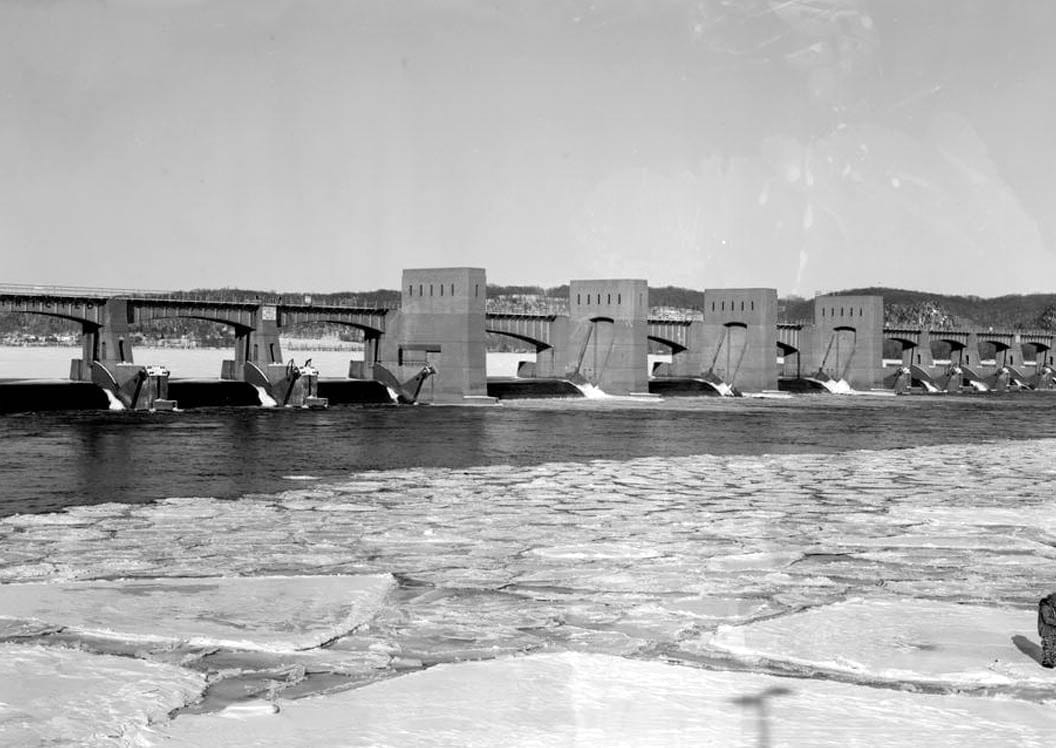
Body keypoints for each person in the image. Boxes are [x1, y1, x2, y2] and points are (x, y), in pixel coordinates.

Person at [1038, 593, 1056, 668]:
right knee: (1048, 646)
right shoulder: (1045, 607)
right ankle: (1047, 662)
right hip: (1046, 630)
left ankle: (1053, 660)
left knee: (1054, 646)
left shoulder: (1052, 607)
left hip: (1053, 629)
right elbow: (1046, 619)